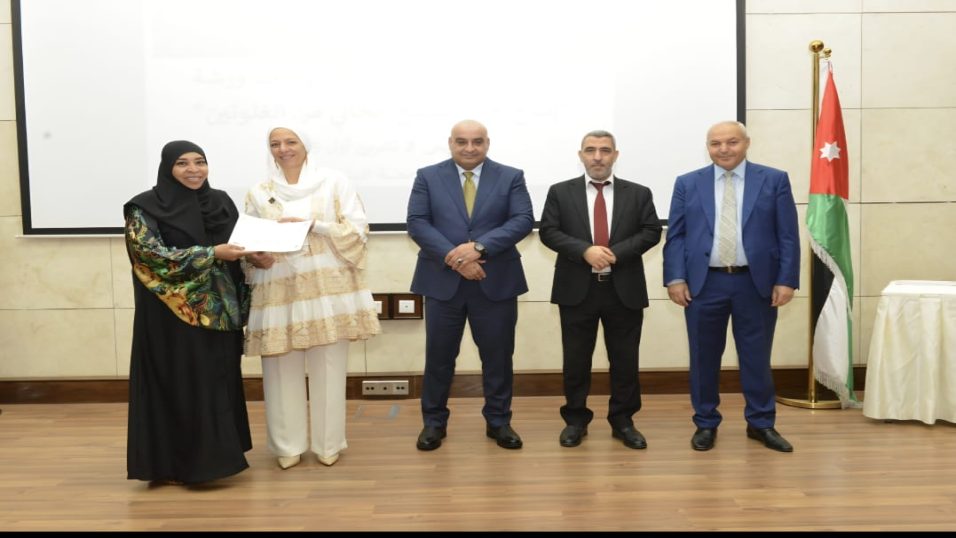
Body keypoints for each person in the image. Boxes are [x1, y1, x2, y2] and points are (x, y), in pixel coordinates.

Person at [243, 126, 381, 470]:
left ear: (306, 145)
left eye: (291, 142)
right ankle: (287, 446)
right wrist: (254, 256)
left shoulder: (334, 181)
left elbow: (358, 230)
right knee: (279, 368)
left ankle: (328, 444)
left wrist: (312, 224)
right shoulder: (259, 192)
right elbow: (247, 240)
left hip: (328, 289)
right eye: (275, 144)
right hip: (279, 287)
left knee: (329, 366)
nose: (283, 149)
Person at [663, 121, 800, 453]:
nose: (723, 149)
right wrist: (676, 278)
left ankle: (761, 423)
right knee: (703, 358)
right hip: (703, 284)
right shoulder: (687, 183)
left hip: (756, 284)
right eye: (715, 143)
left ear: (747, 143)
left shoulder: (774, 180)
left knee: (756, 357)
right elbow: (676, 235)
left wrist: (786, 279)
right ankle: (706, 423)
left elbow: (787, 235)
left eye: (731, 142)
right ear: (707, 147)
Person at [124, 140, 256, 484]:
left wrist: (255, 256)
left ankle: (221, 459)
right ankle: (178, 465)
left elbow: (238, 244)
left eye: (200, 162)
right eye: (182, 163)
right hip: (172, 315)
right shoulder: (145, 206)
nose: (194, 170)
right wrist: (211, 254)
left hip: (220, 312)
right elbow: (148, 255)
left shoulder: (221, 202)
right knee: (183, 383)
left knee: (219, 380)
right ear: (168, 168)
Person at [406, 119, 534, 451]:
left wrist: (479, 248)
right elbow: (417, 222)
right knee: (439, 358)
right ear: (451, 143)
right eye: (462, 141)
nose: (469, 148)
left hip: (496, 281)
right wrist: (457, 259)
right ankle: (434, 423)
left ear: (487, 143)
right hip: (442, 282)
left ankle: (499, 421)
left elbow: (522, 220)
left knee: (498, 357)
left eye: (477, 141)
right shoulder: (427, 176)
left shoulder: (511, 176)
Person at [539, 130, 662, 449]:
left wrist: (614, 253)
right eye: (591, 150)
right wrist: (585, 250)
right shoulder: (560, 192)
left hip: (624, 289)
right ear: (580, 155)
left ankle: (623, 420)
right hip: (576, 289)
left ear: (615, 155)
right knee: (576, 360)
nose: (597, 157)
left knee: (625, 360)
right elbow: (549, 231)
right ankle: (575, 420)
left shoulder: (638, 193)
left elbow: (651, 231)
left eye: (605, 150)